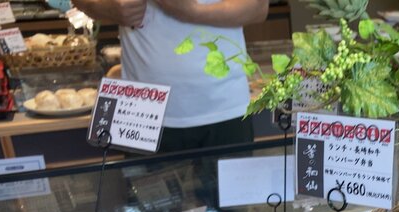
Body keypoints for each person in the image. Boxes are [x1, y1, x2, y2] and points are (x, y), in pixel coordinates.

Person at [72, 0, 266, 152]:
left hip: (224, 106)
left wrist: (192, 11)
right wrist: (105, 7)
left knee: (229, 194)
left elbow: (258, 8)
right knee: (142, 192)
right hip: (140, 109)